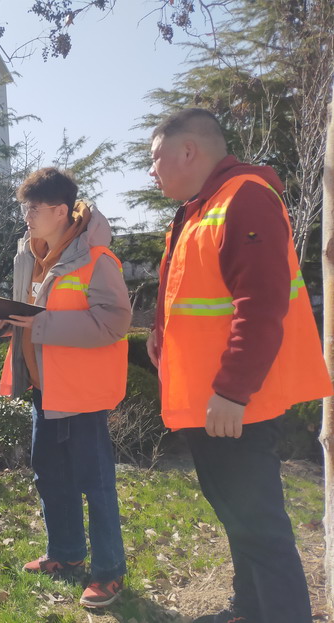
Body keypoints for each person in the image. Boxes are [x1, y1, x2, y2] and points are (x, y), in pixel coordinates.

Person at [146, 107, 332, 623]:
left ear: (189, 151)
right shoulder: (202, 207)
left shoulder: (244, 198)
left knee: (260, 528)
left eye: (156, 158)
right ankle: (248, 609)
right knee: (239, 518)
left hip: (234, 404)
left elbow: (262, 303)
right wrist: (159, 335)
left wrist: (232, 391)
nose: (152, 171)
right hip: (212, 401)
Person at [0, 167, 131, 608]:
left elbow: (114, 323)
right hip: (43, 389)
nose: (26, 216)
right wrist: (4, 322)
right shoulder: (29, 255)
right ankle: (66, 555)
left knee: (96, 484)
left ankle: (108, 572)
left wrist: (41, 324)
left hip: (81, 394)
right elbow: (30, 316)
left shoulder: (97, 259)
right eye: (24, 208)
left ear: (61, 211)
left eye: (33, 208)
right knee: (50, 476)